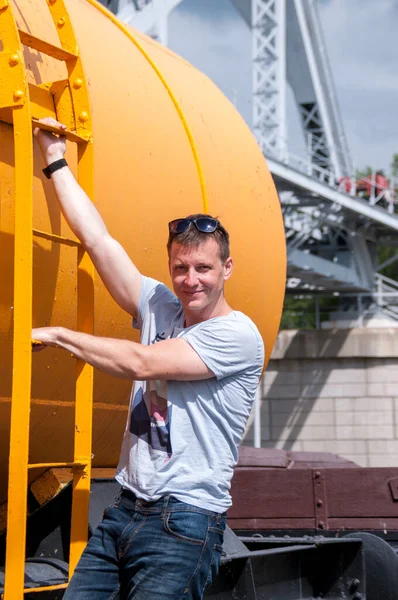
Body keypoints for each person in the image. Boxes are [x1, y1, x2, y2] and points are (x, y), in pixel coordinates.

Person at [32, 118, 265, 600]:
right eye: (180, 268)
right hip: (125, 511)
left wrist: (60, 334)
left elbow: (142, 362)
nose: (190, 279)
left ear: (227, 268)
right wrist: (54, 159)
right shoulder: (160, 305)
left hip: (184, 521)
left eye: (203, 268)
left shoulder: (237, 334)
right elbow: (98, 242)